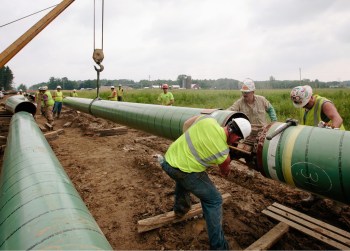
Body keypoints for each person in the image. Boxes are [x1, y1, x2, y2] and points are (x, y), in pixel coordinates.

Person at [160, 115, 252, 250]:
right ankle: (219, 247)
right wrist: (230, 156)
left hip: (168, 161)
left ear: (229, 124)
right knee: (214, 200)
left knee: (184, 175)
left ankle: (180, 209)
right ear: (237, 138)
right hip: (183, 172)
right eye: (237, 141)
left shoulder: (208, 121)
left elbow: (187, 123)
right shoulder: (222, 152)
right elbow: (225, 171)